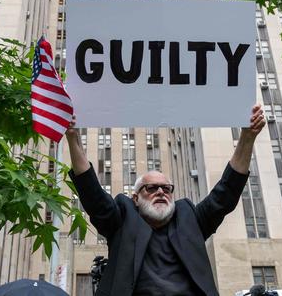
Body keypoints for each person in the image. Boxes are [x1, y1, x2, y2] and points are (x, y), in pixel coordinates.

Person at [65, 104, 266, 296]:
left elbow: (225, 194)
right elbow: (93, 196)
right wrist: (73, 137)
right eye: (151, 188)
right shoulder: (122, 218)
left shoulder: (189, 216)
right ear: (135, 198)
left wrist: (247, 137)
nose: (161, 192)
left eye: (167, 189)